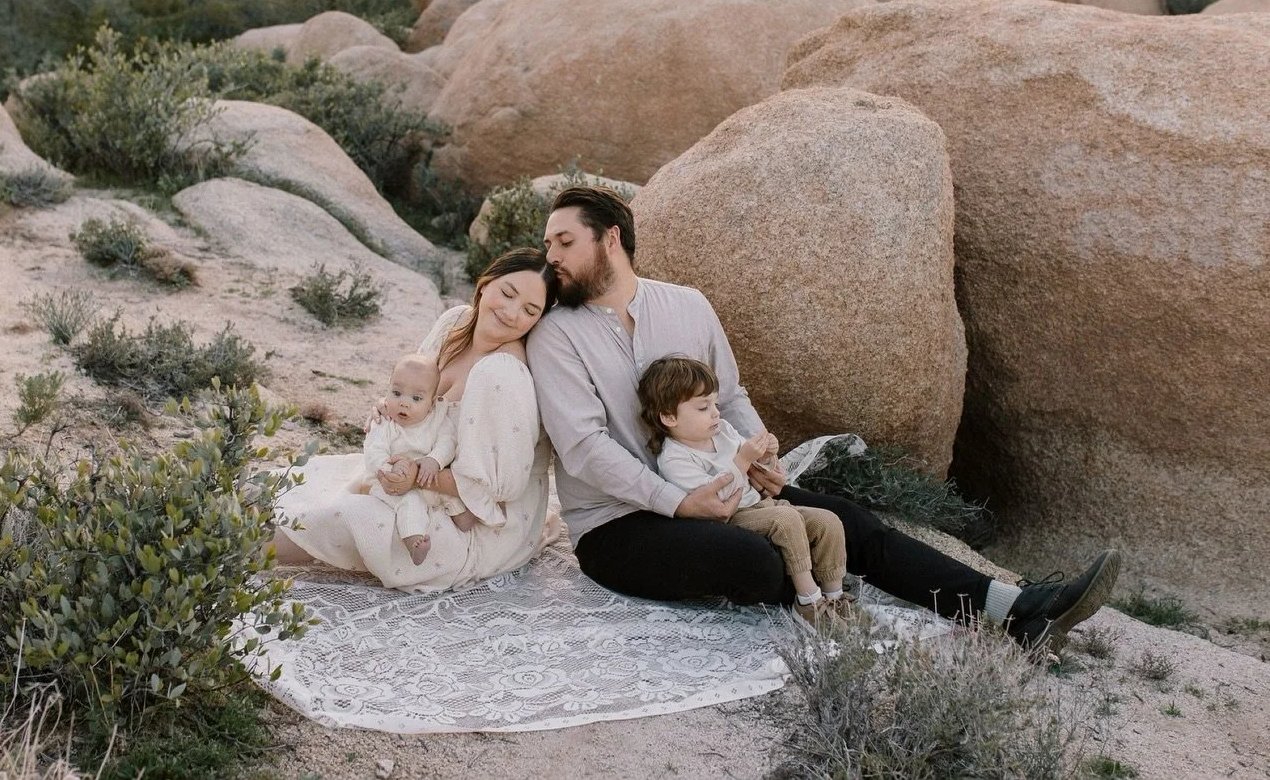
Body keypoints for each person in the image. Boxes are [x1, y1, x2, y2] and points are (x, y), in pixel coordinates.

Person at [526, 186, 1120, 652]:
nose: (551, 257)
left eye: (563, 242)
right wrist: (678, 502)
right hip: (620, 524)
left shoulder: (687, 304)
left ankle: (1013, 609)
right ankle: (820, 585)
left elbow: (729, 397)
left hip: (727, 489)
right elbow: (581, 447)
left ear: (610, 238)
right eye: (548, 245)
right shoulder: (556, 334)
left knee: (851, 521)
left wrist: (763, 459)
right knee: (758, 564)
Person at [274, 248, 560, 592]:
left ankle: (231, 555)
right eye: (508, 293)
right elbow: (412, 390)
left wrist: (417, 477)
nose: (512, 313)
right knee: (297, 485)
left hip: (475, 524)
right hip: (415, 477)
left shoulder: (503, 373)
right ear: (485, 284)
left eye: (530, 310)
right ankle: (222, 532)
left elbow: (497, 490)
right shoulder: (455, 323)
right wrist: (388, 406)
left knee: (343, 519)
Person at [639, 354, 854, 626]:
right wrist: (742, 459)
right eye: (703, 407)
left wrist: (766, 454)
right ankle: (808, 601)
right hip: (729, 519)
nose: (716, 413)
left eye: (715, 403)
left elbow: (753, 460)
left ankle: (834, 598)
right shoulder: (674, 458)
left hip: (760, 506)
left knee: (827, 521)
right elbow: (715, 500)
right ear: (669, 417)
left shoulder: (723, 430)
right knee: (786, 521)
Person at [355, 353, 470, 566]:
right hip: (388, 483)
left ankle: (465, 521)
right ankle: (414, 541)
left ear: (431, 403)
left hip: (423, 475)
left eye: (416, 398)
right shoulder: (385, 421)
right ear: (386, 390)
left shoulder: (437, 419)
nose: (404, 404)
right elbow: (373, 452)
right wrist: (391, 468)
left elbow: (448, 441)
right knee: (411, 503)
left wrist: (434, 460)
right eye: (396, 393)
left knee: (447, 496)